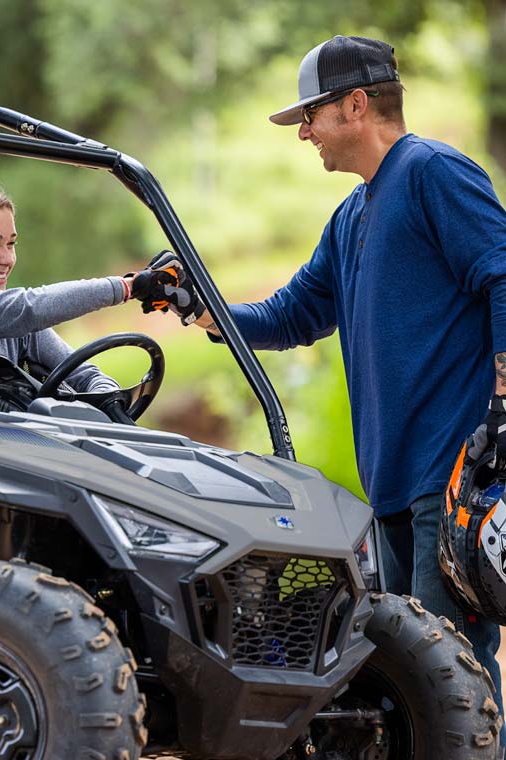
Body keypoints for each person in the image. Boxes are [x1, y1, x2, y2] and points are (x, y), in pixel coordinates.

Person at [192, 34, 506, 716]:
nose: (303, 132)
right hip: (390, 486)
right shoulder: (351, 215)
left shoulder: (432, 173)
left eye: (310, 114)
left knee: (449, 679)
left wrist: (505, 407)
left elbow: (502, 272)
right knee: (410, 678)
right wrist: (201, 305)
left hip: (451, 473)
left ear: (356, 105)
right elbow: (292, 314)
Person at [0, 170, 185, 414]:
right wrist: (128, 287)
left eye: (11, 244)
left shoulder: (12, 322)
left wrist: (108, 401)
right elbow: (28, 309)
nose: (7, 258)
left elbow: (83, 373)